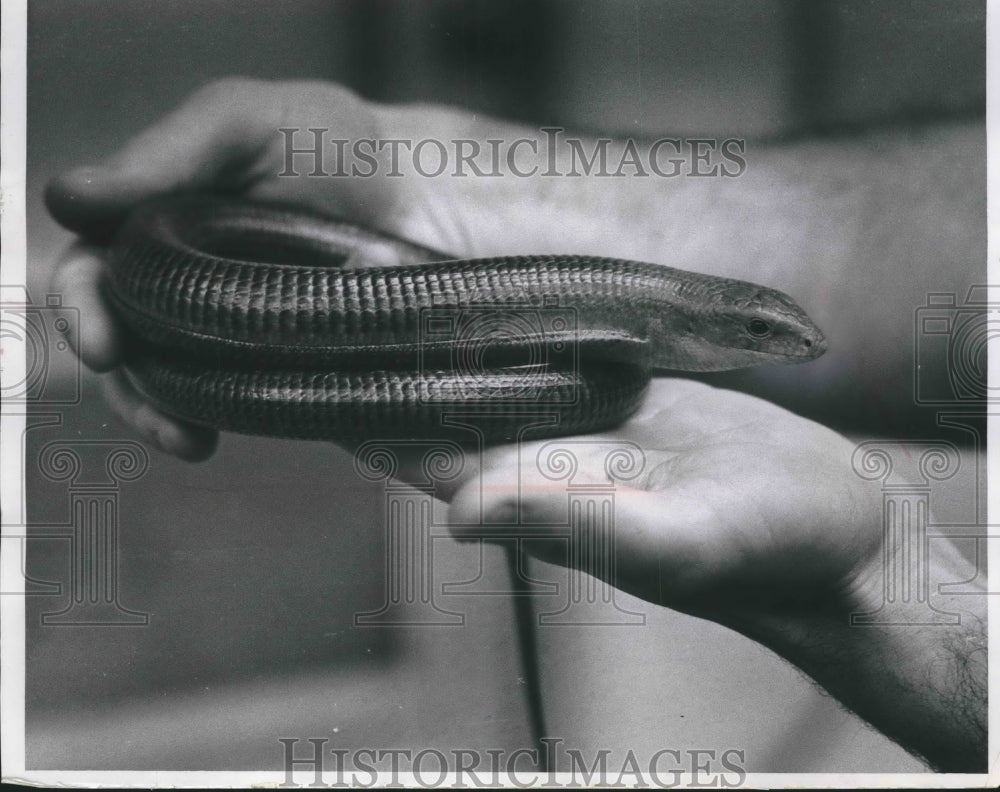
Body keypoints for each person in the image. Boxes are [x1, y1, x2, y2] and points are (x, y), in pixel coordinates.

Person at [45, 78, 986, 772]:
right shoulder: (637, 320)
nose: (787, 345)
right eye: (755, 330)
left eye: (764, 333)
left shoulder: (632, 347)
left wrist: (882, 583)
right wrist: (435, 185)